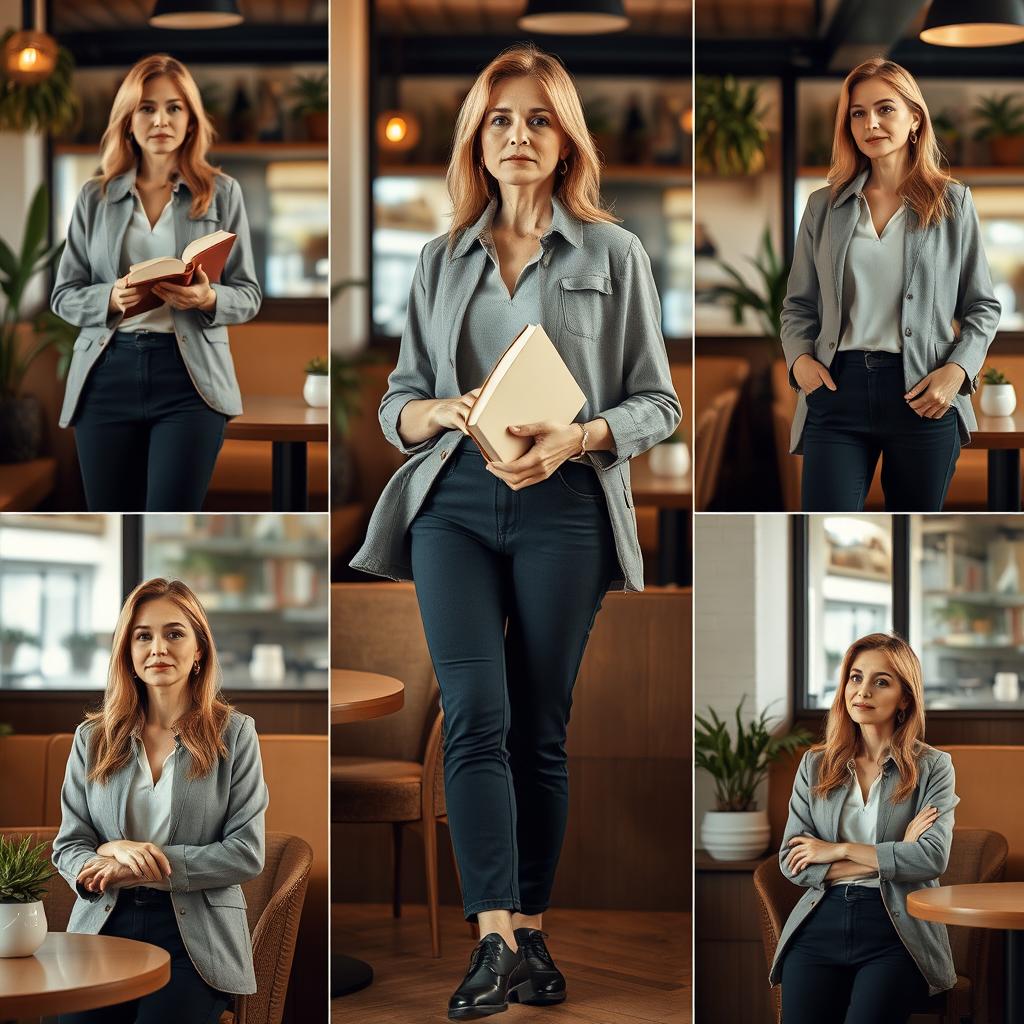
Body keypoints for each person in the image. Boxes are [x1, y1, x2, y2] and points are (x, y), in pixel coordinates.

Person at [350, 43, 680, 1021]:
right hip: (451, 506)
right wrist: (443, 413)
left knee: (539, 728)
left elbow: (657, 404)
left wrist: (578, 435)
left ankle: (530, 932)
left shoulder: (614, 255)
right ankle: (492, 940)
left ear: (565, 137)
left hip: (565, 510)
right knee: (475, 714)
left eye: (538, 118)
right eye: (500, 119)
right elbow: (395, 404)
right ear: (476, 139)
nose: (518, 135)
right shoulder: (435, 258)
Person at [781, 58, 1000, 512]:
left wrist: (957, 372)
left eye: (885, 109)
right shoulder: (824, 207)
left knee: (912, 536)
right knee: (820, 530)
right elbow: (798, 305)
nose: (871, 123)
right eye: (858, 113)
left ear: (915, 118)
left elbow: (982, 306)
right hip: (835, 391)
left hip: (923, 394)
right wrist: (800, 360)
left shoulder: (952, 202)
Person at [52, 578, 269, 1023]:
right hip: (104, 927)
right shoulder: (91, 739)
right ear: (128, 653)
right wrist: (109, 854)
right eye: (143, 636)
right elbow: (68, 846)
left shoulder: (236, 734)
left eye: (174, 634)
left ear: (199, 650)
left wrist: (134, 860)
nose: (158, 648)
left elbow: (246, 853)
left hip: (195, 937)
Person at [52, 54, 261, 512]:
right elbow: (63, 296)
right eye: (147, 108)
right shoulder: (95, 196)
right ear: (128, 119)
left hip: (190, 379)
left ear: (191, 119)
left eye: (174, 107)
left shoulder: (222, 192)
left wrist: (208, 297)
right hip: (105, 376)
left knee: (172, 514)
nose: (160, 120)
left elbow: (248, 295)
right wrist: (109, 296)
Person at [771, 633, 958, 1024]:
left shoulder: (933, 767)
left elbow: (931, 858)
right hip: (820, 921)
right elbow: (792, 862)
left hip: (895, 929)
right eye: (856, 678)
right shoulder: (815, 765)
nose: (863, 691)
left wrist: (836, 849)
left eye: (881, 681)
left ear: (905, 698)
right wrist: (894, 852)